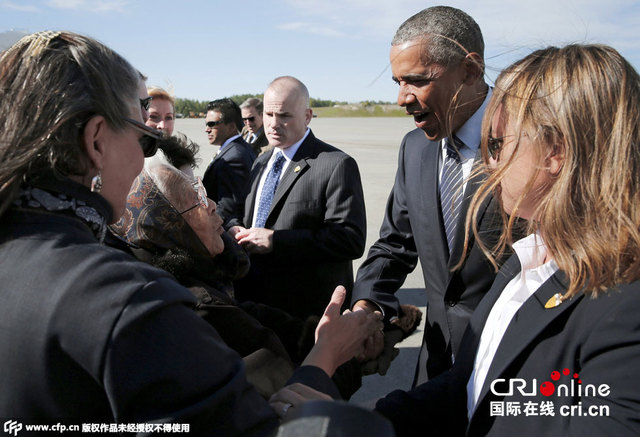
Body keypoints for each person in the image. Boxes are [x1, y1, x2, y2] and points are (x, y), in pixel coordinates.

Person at [0, 31, 382, 434]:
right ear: (96, 141)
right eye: (143, 140)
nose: (142, 158)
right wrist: (324, 360)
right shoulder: (129, 301)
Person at [372, 43, 640, 435]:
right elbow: (474, 385)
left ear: (556, 152)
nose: (488, 161)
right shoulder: (527, 258)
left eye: (497, 145)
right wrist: (363, 420)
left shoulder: (625, 303)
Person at [351, 6, 508, 385]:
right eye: (397, 82)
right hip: (436, 365)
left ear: (470, 70)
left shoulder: (527, 144)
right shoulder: (415, 149)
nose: (403, 98)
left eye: (417, 81)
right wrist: (366, 305)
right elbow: (394, 245)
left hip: (513, 365)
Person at [229, 76, 367, 319]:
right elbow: (241, 211)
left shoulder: (335, 164)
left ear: (307, 116)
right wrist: (234, 228)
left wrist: (277, 241)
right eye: (269, 115)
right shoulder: (261, 161)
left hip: (305, 313)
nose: (273, 124)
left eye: (284, 116)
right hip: (255, 303)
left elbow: (349, 239)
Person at [202, 98, 256, 225]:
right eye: (206, 124)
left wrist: (206, 228)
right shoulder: (239, 148)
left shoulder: (234, 157)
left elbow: (228, 209)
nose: (207, 129)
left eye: (211, 124)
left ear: (231, 126)